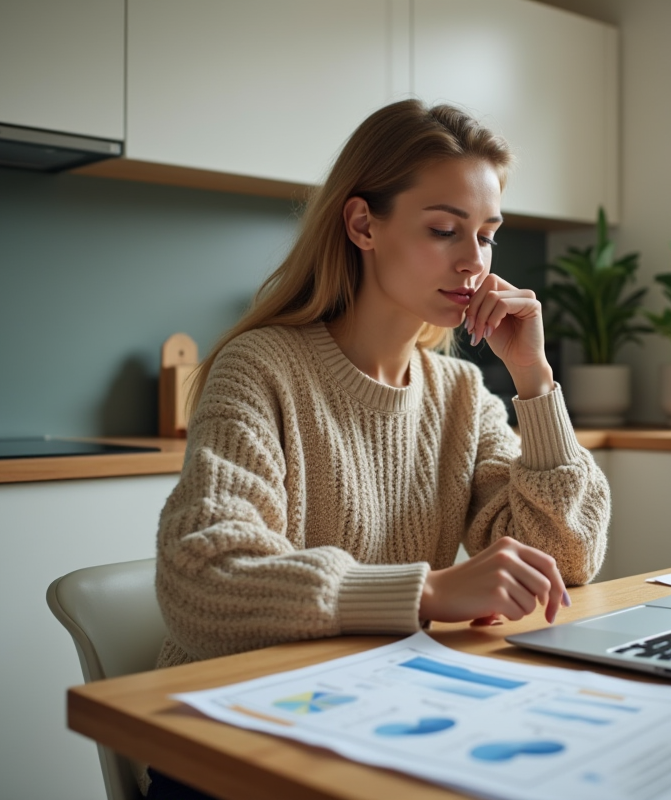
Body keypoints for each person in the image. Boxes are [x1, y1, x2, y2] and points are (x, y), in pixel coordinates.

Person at [146, 99, 610, 796]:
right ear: (364, 224)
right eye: (445, 230)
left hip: (369, 716)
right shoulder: (260, 367)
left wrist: (535, 382)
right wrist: (426, 592)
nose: (473, 263)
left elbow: (567, 560)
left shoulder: (460, 393)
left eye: (487, 235)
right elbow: (202, 578)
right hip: (232, 741)